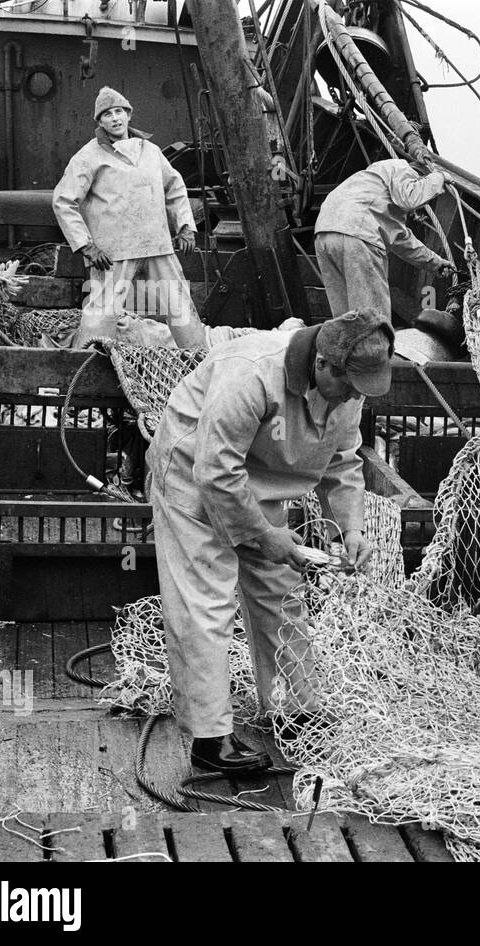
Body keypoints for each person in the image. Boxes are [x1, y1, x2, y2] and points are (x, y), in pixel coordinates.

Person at [146, 311, 391, 773]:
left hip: (260, 482)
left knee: (282, 595)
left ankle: (292, 709)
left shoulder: (349, 389)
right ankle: (209, 738)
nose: (358, 396)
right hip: (193, 482)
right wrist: (262, 535)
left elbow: (341, 461)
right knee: (206, 606)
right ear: (323, 365)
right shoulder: (251, 372)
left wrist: (353, 528)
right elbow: (215, 471)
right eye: (353, 386)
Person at [52, 86, 204, 350]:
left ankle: (199, 359)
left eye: (119, 111)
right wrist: (87, 246)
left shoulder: (151, 151)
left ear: (129, 115)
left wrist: (186, 227)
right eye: (107, 114)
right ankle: (85, 365)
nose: (115, 118)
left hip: (157, 243)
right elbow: (63, 200)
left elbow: (175, 186)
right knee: (102, 312)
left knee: (179, 305)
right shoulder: (89, 156)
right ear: (100, 121)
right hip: (112, 251)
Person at [314, 157, 455, 329]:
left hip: (325, 233)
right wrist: (439, 177)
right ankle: (376, 353)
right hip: (360, 233)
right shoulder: (402, 168)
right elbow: (411, 198)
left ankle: (344, 353)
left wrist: (436, 263)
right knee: (374, 319)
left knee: (344, 320)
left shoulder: (372, 183)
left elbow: (402, 240)